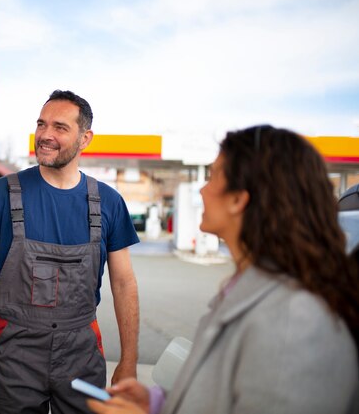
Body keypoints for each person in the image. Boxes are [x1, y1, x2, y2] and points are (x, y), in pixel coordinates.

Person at [88, 125, 359, 414]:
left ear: (239, 199)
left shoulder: (295, 322)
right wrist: (156, 404)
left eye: (214, 175)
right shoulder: (252, 286)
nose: (203, 189)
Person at [0, 90, 141, 413]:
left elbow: (124, 283)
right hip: (15, 356)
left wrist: (129, 360)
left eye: (60, 128)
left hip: (81, 356)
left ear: (85, 138)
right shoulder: (1, 194)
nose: (45, 135)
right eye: (41, 124)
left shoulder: (108, 202)